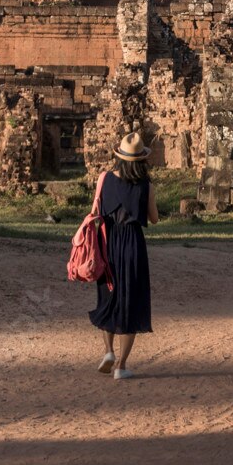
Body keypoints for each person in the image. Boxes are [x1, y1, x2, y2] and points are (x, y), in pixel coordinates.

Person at [89, 131, 158, 380]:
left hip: (107, 241)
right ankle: (121, 365)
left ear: (119, 156)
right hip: (132, 244)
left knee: (108, 297)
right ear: (141, 160)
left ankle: (108, 351)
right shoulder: (145, 185)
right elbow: (154, 218)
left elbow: (95, 210)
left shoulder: (104, 178)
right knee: (131, 301)